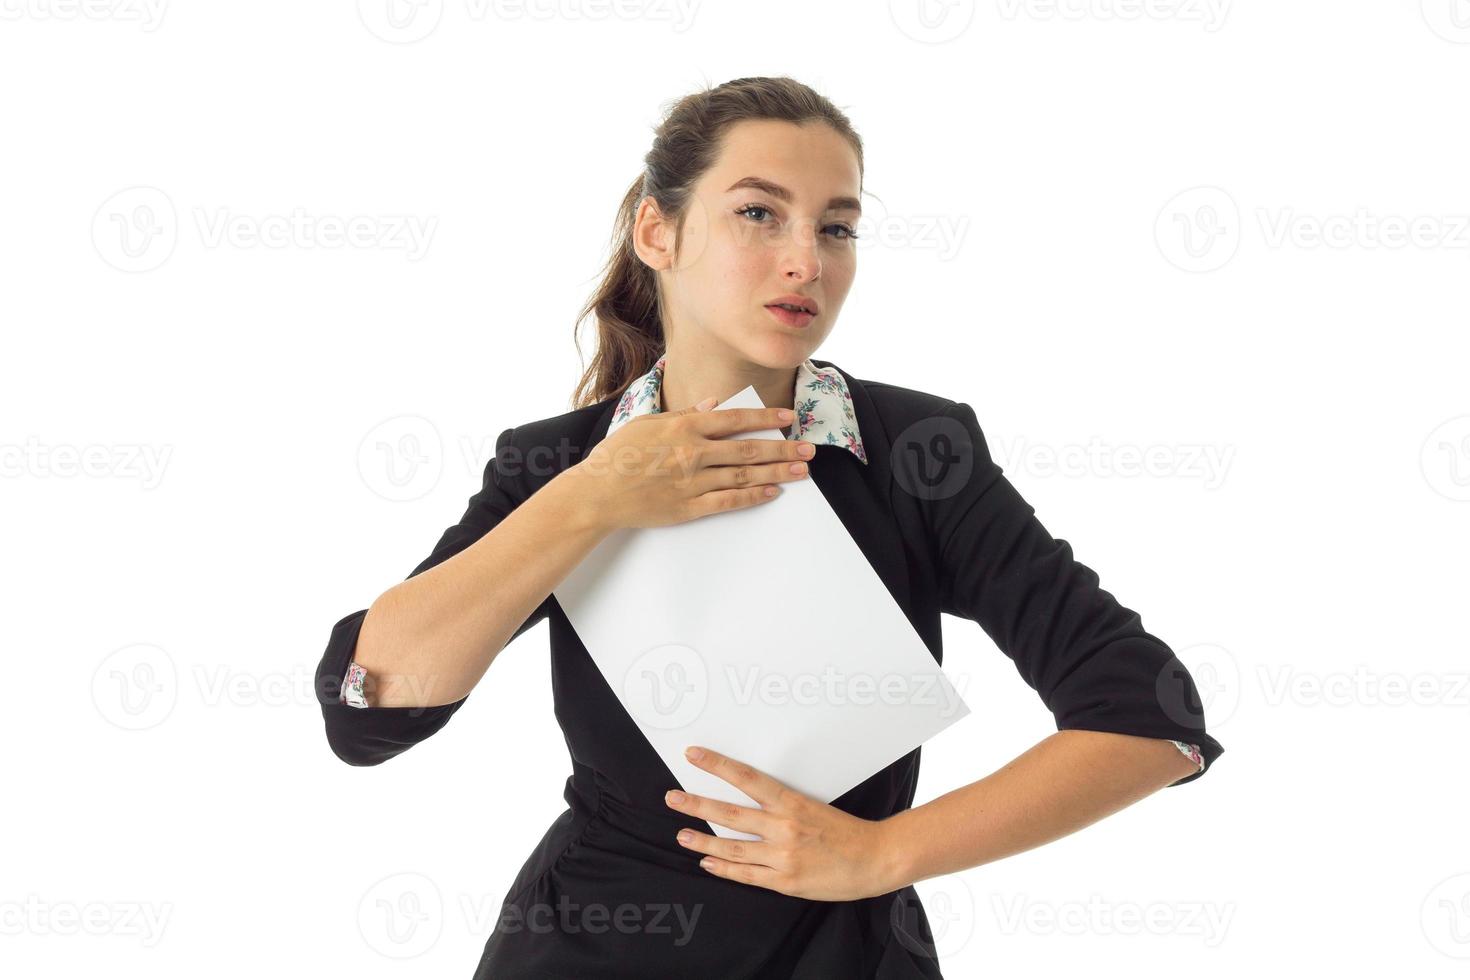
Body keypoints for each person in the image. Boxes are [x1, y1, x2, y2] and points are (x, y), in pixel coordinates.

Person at [313, 75, 1223, 979]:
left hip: (846, 955)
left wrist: (884, 855)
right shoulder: (556, 465)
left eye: (836, 226)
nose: (807, 262)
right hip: (588, 948)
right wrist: (593, 497)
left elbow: (1152, 719)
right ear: (657, 231)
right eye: (759, 214)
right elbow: (367, 711)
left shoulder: (914, 452)